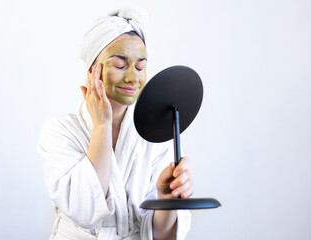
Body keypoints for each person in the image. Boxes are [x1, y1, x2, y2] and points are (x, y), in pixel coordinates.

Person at [37, 6, 194, 240]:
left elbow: (160, 234)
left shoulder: (154, 137)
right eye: (120, 65)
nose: (133, 77)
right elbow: (84, 209)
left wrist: (166, 199)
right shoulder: (60, 132)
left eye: (140, 67)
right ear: (93, 71)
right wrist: (102, 125)